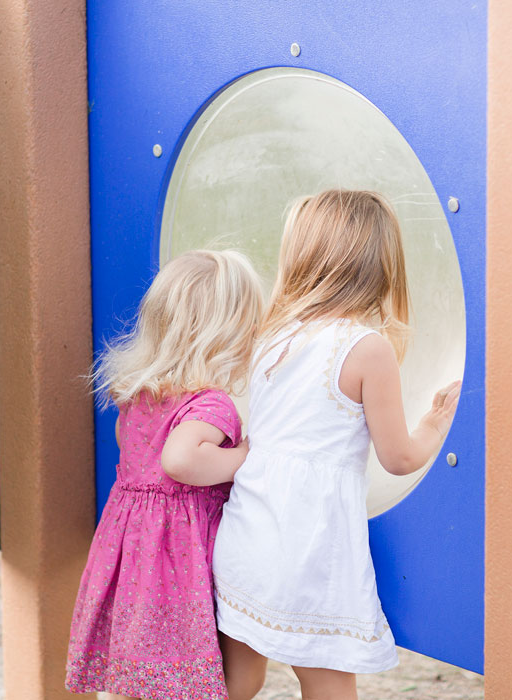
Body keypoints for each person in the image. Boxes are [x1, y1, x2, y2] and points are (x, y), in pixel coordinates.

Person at [211, 190, 462, 700]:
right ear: (383, 266)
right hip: (310, 551)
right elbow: (399, 458)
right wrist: (437, 423)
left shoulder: (272, 335)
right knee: (326, 687)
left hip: (247, 537)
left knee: (238, 681)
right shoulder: (366, 348)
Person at [66, 249, 264, 700]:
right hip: (178, 555)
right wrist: (244, 457)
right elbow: (178, 460)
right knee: (229, 677)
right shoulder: (210, 405)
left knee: (142, 662)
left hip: (134, 549)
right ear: (233, 335)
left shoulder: (141, 396)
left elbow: (134, 452)